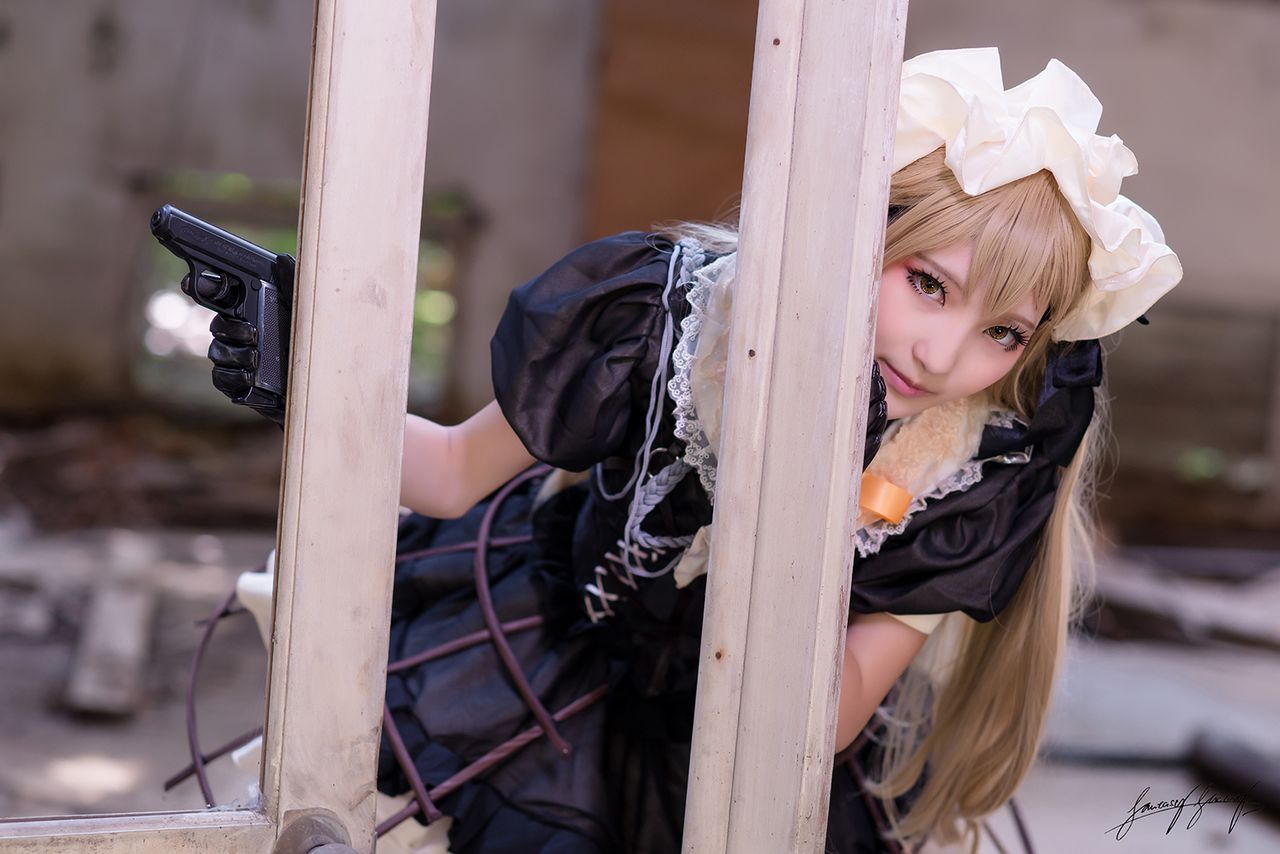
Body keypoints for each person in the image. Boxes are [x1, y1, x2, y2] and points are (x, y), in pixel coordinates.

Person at [201, 48, 1181, 853]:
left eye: (1002, 333)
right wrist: (312, 380)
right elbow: (452, 475)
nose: (942, 353)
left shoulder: (966, 471)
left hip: (754, 755)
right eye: (927, 283)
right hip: (540, 661)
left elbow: (828, 717)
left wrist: (814, 503)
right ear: (854, 234)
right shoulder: (670, 322)